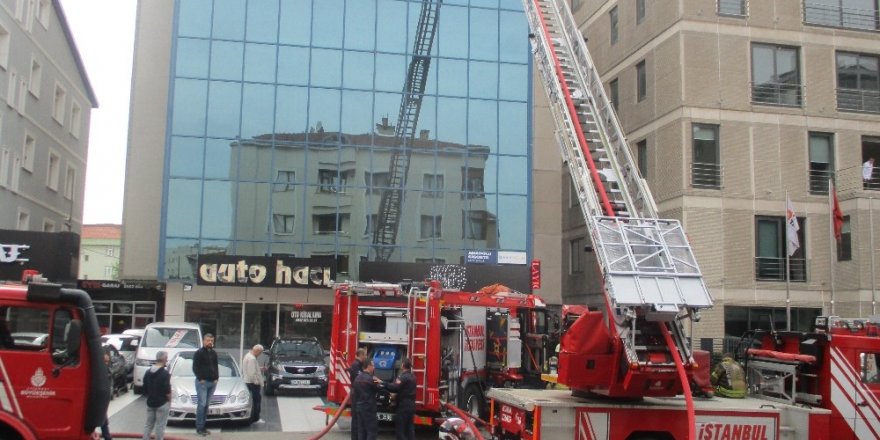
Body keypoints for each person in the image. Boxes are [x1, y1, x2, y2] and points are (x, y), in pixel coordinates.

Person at [192, 334, 219, 436]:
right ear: (203, 341)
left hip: (212, 383)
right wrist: (200, 378)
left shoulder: (214, 353)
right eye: (208, 340)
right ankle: (199, 427)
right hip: (202, 383)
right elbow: (195, 367)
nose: (210, 342)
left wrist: (217, 378)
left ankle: (203, 426)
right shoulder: (199, 353)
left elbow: (216, 366)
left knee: (206, 405)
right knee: (202, 404)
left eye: (211, 340)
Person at [384, 358, 416, 440]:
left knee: (400, 429)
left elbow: (394, 387)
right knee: (410, 428)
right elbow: (405, 389)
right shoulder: (413, 376)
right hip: (411, 405)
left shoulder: (403, 377)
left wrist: (383, 383)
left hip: (403, 406)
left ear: (403, 365)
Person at [142, 351, 171, 440]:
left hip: (150, 402)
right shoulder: (165, 374)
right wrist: (169, 401)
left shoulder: (147, 372)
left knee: (148, 424)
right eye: (166, 358)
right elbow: (167, 390)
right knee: (160, 425)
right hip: (162, 403)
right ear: (164, 359)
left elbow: (144, 388)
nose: (167, 360)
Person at [352, 358, 382, 440]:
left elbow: (355, 393)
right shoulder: (372, 379)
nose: (374, 367)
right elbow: (379, 388)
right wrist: (380, 382)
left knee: (361, 432)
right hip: (369, 409)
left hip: (359, 408)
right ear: (369, 366)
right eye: (373, 365)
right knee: (371, 431)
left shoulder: (357, 378)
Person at [242, 344, 265, 424]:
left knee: (254, 400)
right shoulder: (252, 359)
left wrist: (259, 368)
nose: (260, 354)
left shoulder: (248, 356)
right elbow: (252, 373)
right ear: (257, 351)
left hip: (248, 381)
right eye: (260, 352)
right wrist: (257, 382)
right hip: (252, 383)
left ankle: (254, 417)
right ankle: (256, 418)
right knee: (257, 401)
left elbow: (251, 369)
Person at [348, 347, 367, 440]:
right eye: (365, 355)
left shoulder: (358, 365)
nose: (366, 357)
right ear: (361, 355)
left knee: (357, 419)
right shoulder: (356, 365)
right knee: (356, 419)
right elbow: (361, 378)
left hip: (357, 393)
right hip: (356, 394)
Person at [99, 349, 113, 440]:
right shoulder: (99, 371)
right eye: (105, 361)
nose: (106, 363)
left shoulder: (107, 371)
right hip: (99, 399)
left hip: (103, 399)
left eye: (108, 361)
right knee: (103, 419)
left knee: (103, 419)